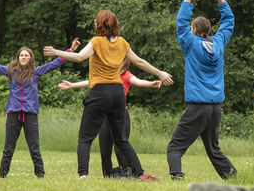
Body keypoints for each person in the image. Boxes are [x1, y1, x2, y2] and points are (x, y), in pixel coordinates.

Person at [43, 11, 173, 181]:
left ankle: (83, 174)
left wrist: (56, 51)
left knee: (85, 137)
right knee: (121, 139)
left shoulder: (96, 41)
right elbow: (139, 61)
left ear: (100, 24)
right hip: (118, 93)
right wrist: (159, 73)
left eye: (96, 20)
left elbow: (80, 57)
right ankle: (140, 173)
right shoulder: (122, 42)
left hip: (100, 92)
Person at [0, 38, 81, 178]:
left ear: (31, 58)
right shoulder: (10, 71)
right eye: (21, 55)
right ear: (18, 58)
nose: (24, 57)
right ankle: (2, 175)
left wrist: (72, 50)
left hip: (30, 114)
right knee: (8, 148)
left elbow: (55, 63)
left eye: (26, 55)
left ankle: (40, 175)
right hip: (13, 114)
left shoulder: (36, 72)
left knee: (34, 148)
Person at [166, 0, 237, 180]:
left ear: (194, 31)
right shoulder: (219, 42)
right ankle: (233, 178)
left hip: (197, 106)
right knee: (214, 149)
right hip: (215, 108)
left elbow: (181, 22)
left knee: (175, 147)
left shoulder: (190, 43)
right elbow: (229, 20)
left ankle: (176, 177)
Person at [58, 58, 162, 178]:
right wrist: (71, 85)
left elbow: (139, 81)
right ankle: (108, 175)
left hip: (120, 115)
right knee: (105, 150)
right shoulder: (106, 75)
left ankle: (128, 173)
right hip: (105, 116)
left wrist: (151, 84)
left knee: (120, 147)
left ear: (124, 63)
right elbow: (89, 82)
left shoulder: (126, 75)